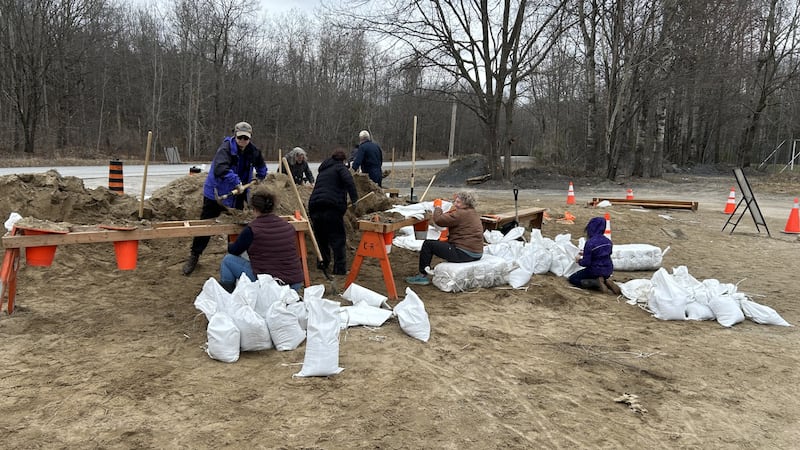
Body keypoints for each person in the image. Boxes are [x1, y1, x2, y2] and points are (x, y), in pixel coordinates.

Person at [182, 121, 268, 275]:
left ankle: (234, 257)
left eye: (246, 138)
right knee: (205, 226)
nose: (243, 141)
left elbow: (261, 166)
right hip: (217, 193)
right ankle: (195, 255)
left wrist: (261, 175)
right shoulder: (225, 149)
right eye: (240, 137)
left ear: (250, 138)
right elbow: (220, 169)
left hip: (237, 196)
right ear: (235, 135)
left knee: (237, 227)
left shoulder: (253, 151)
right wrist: (237, 182)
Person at [219, 188, 304, 293]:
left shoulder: (252, 230)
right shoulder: (288, 227)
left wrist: (229, 244)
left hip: (269, 285)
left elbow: (234, 251)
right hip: (294, 283)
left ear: (254, 209)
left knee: (228, 260)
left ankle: (227, 294)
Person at [405, 191, 484, 286]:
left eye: (458, 202)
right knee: (438, 244)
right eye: (455, 201)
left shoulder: (460, 214)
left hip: (464, 253)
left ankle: (422, 276)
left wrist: (438, 207)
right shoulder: (472, 213)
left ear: (466, 204)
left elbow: (439, 220)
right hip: (476, 252)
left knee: (428, 244)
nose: (455, 204)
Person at [308, 149, 359, 276]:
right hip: (331, 206)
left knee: (322, 238)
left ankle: (323, 264)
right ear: (342, 160)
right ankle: (340, 269)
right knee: (338, 238)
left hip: (315, 206)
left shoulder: (323, 171)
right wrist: (355, 200)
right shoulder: (340, 168)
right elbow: (349, 182)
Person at [568, 216, 622, 295]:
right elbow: (602, 254)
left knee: (573, 279)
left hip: (595, 270)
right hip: (608, 270)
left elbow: (586, 263)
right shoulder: (608, 241)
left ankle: (596, 283)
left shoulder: (590, 243)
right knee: (600, 275)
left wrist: (579, 260)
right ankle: (606, 281)